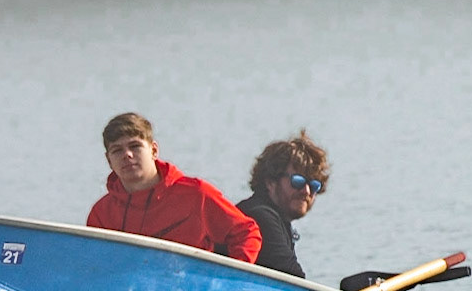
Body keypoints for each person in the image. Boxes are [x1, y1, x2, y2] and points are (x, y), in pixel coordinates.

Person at [86, 112, 262, 263]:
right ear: (109, 160)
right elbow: (93, 264)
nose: (127, 155)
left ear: (154, 151)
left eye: (135, 146)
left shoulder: (196, 194)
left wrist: (227, 281)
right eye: (117, 150)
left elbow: (246, 233)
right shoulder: (101, 213)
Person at [235, 130, 330, 278]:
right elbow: (294, 280)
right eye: (297, 181)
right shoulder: (260, 216)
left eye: (314, 185)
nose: (306, 191)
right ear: (270, 182)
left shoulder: (275, 219)